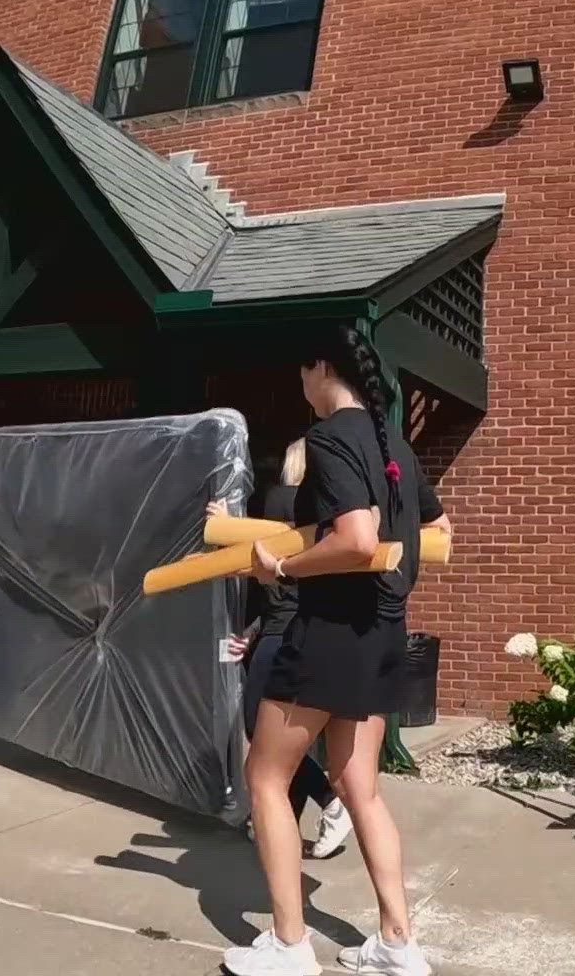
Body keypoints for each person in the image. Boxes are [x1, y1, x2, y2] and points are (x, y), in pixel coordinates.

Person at [221, 325, 449, 976]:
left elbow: (356, 538)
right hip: (383, 634)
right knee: (359, 788)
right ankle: (398, 945)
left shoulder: (329, 438)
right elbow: (439, 530)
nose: (300, 387)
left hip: (328, 636)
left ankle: (290, 948)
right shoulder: (392, 444)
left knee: (265, 776)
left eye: (301, 374)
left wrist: (284, 570)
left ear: (321, 367)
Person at [211, 438, 354, 860]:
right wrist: (253, 630)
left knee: (260, 730)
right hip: (302, 630)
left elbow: (258, 556)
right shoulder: (330, 516)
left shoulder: (282, 498)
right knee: (286, 741)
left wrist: (223, 527)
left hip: (284, 635)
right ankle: (279, 824)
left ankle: (329, 803)